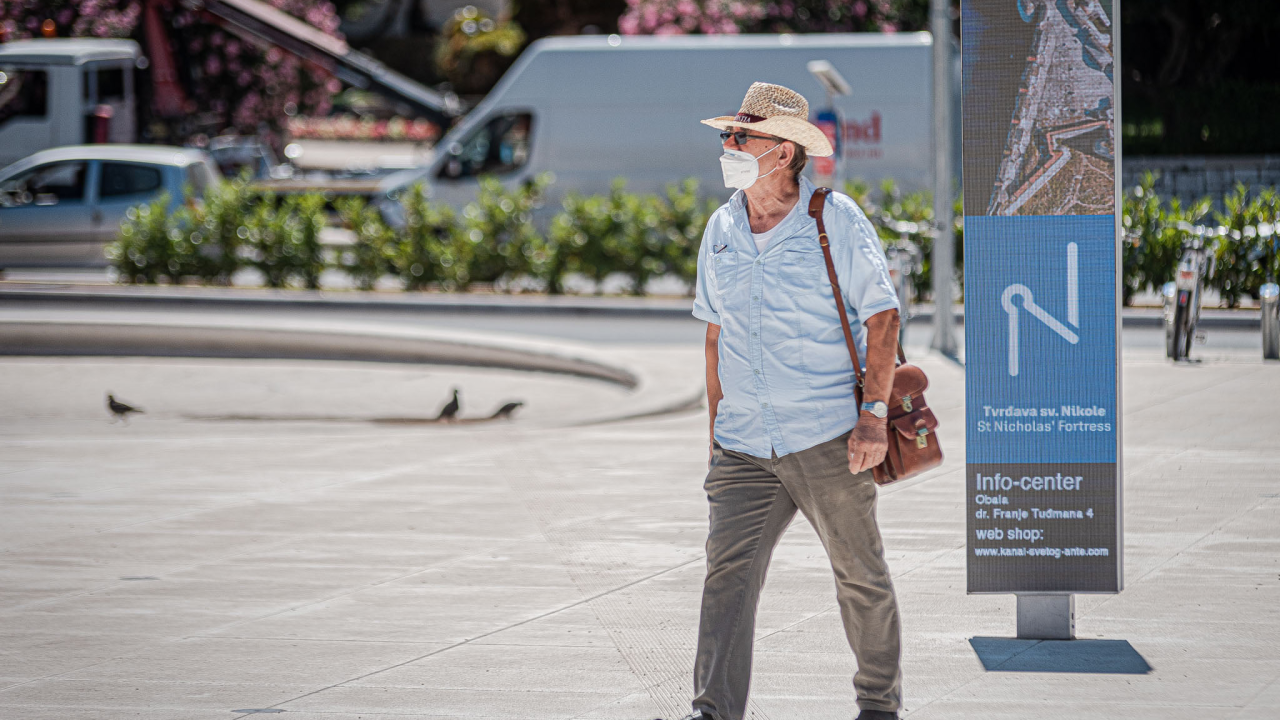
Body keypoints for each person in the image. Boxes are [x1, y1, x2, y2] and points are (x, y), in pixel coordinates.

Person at [685, 82, 904, 720]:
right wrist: (715, 433)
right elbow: (714, 336)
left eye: (741, 137)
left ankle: (878, 705)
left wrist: (873, 417)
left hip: (827, 435)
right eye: (728, 135)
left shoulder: (833, 218)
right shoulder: (721, 227)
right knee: (726, 578)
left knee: (859, 574)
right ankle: (713, 710)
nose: (728, 146)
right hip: (743, 444)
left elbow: (883, 317)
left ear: (783, 152)